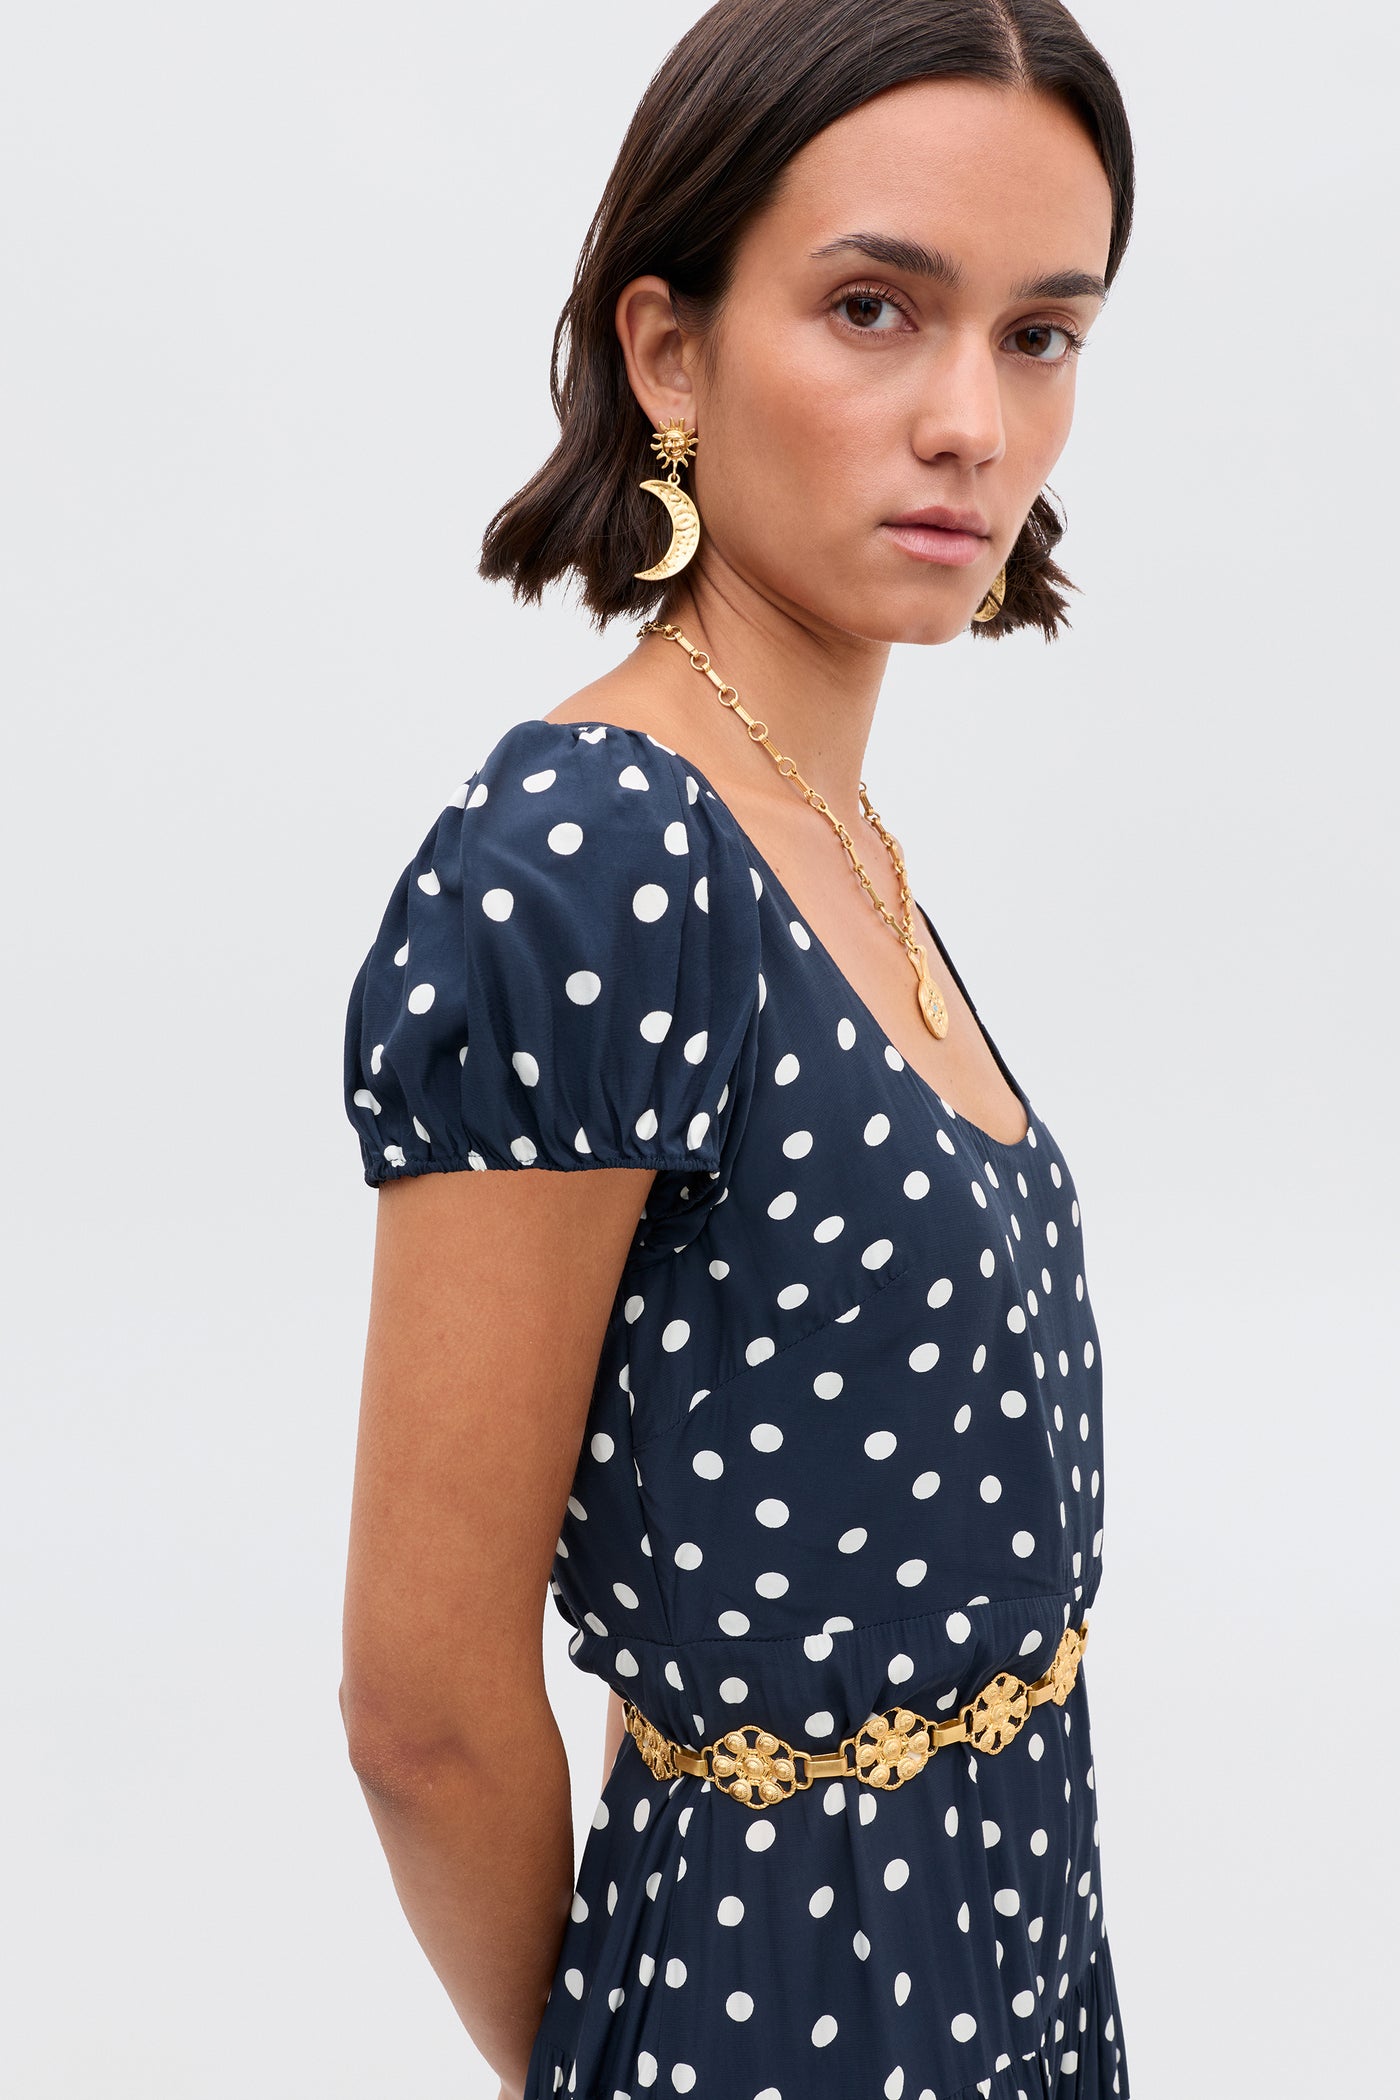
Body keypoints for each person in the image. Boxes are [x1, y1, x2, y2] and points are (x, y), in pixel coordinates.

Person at [338, 1, 1137, 2094]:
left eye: (1040, 333)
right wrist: (632, 2057)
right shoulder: (591, 861)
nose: (971, 417)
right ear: (666, 351)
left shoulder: (818, 829)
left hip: (1010, 1959)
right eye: (877, 307)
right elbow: (421, 1705)